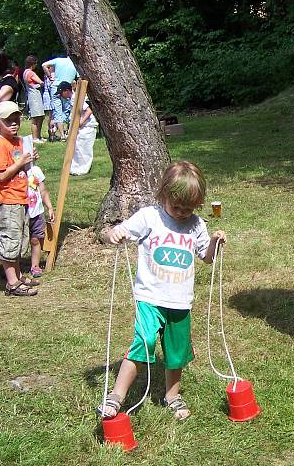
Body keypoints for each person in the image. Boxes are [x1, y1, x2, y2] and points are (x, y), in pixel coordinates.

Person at [97, 161, 226, 421]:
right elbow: (116, 231)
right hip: (149, 297)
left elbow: (206, 258)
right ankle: (117, 395)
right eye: (176, 206)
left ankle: (172, 395)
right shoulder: (149, 216)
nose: (180, 212)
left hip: (180, 302)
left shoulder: (197, 225)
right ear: (163, 194)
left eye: (187, 209)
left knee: (176, 352)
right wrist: (111, 234)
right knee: (143, 342)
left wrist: (214, 242)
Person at [0, 101, 40, 297]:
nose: (13, 124)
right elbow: (0, 176)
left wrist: (30, 159)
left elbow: (23, 165)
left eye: (16, 119)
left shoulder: (19, 141)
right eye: (8, 121)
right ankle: (12, 283)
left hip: (22, 198)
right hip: (8, 199)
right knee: (10, 240)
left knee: (19, 240)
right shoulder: (0, 144)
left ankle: (18, 275)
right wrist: (20, 162)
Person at [57, 82, 98, 175]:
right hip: (80, 128)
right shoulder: (71, 100)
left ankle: (83, 169)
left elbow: (88, 111)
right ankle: (75, 168)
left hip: (87, 127)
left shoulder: (77, 98)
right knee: (77, 147)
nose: (61, 95)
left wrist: (80, 123)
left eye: (61, 93)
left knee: (84, 148)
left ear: (67, 91)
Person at [26, 163, 54, 278]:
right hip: (21, 213)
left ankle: (35, 265)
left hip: (36, 212)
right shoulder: (15, 171)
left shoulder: (35, 170)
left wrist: (50, 207)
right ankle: (14, 266)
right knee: (18, 241)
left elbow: (43, 191)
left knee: (35, 239)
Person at [42, 56, 78, 141]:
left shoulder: (58, 60)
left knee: (57, 112)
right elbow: (78, 78)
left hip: (55, 87)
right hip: (66, 89)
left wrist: (49, 76)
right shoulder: (75, 64)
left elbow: (44, 65)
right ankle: (66, 132)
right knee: (68, 111)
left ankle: (60, 134)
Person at [21, 55, 46, 143]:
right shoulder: (31, 73)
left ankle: (39, 136)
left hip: (31, 96)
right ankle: (35, 138)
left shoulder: (24, 72)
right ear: (33, 64)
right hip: (35, 96)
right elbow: (41, 82)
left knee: (40, 117)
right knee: (36, 118)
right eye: (36, 63)